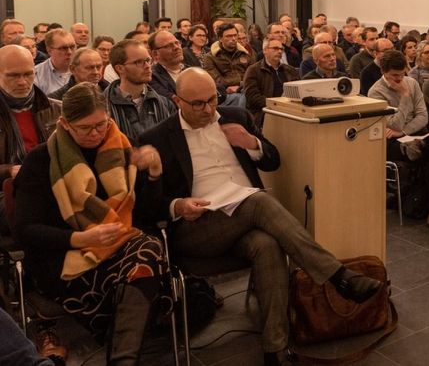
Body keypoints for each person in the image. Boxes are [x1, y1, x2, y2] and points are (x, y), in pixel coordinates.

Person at [137, 69, 381, 365]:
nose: (208, 109)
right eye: (198, 104)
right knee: (259, 201)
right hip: (198, 227)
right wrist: (178, 205)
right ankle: (337, 276)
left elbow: (273, 160)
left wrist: (252, 144)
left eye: (212, 100)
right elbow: (146, 210)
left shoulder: (235, 116)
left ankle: (274, 349)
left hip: (246, 218)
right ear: (177, 101)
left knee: (267, 245)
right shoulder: (157, 138)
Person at [14, 83, 165, 364]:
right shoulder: (42, 159)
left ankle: (123, 358)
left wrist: (154, 173)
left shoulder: (119, 147)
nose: (96, 133)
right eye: (85, 128)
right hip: (66, 259)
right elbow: (25, 229)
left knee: (144, 252)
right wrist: (82, 239)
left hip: (119, 248)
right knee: (147, 258)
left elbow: (146, 212)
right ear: (65, 124)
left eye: (101, 124)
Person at [367, 50, 429, 231]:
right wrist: (403, 97)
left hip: (411, 136)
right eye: (394, 76)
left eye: (402, 74)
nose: (400, 79)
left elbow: (422, 116)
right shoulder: (376, 92)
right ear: (383, 72)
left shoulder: (412, 82)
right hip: (388, 144)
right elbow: (392, 123)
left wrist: (402, 131)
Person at [0, 44, 61, 234]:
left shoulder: (57, 110)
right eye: (13, 75)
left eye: (28, 74)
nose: (22, 82)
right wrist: (8, 170)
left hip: (53, 183)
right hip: (7, 190)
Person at [104, 40, 177, 144]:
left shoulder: (165, 104)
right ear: (120, 68)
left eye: (148, 60)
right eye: (139, 62)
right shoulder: (103, 106)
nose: (147, 66)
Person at [243, 38, 299, 127]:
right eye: (275, 48)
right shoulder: (254, 70)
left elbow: (298, 92)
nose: (280, 51)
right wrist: (276, 105)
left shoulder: (290, 70)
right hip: (264, 111)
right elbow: (252, 97)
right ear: (265, 50)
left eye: (281, 49)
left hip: (289, 109)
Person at [201, 23, 249, 107]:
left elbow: (252, 76)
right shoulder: (210, 57)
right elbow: (216, 81)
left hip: (245, 89)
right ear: (220, 38)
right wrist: (238, 84)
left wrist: (240, 85)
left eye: (235, 35)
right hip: (224, 94)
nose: (233, 39)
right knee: (242, 98)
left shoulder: (245, 54)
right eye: (229, 36)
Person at [34, 29, 76, 95]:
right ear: (49, 50)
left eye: (72, 47)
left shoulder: (84, 69)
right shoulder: (37, 75)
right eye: (63, 48)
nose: (69, 52)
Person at [148, 31, 186, 99]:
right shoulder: (152, 77)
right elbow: (174, 101)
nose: (176, 47)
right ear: (155, 54)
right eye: (169, 46)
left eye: (177, 43)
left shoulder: (191, 70)